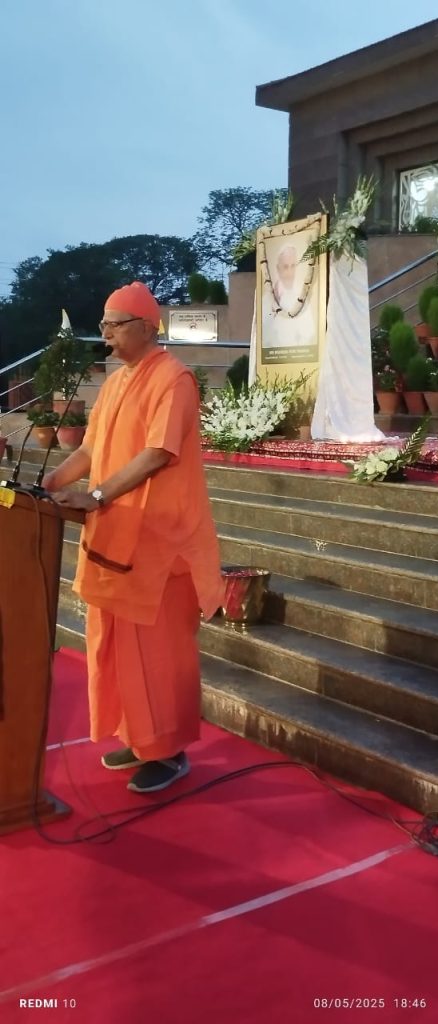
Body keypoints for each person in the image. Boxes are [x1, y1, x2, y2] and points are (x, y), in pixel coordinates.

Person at [43, 281, 225, 794]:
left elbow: (158, 453)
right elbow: (90, 450)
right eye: (103, 324)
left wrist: (97, 496)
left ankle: (169, 751)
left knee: (158, 653)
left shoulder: (173, 379)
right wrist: (49, 483)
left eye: (114, 325)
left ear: (146, 327)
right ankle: (140, 737)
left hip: (160, 544)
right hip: (117, 538)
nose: (105, 333)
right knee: (118, 648)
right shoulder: (115, 383)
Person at [262, 243, 315, 350]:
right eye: (285, 267)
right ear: (278, 269)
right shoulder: (268, 299)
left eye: (293, 266)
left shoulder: (302, 294)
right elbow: (264, 333)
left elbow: (310, 333)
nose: (290, 272)